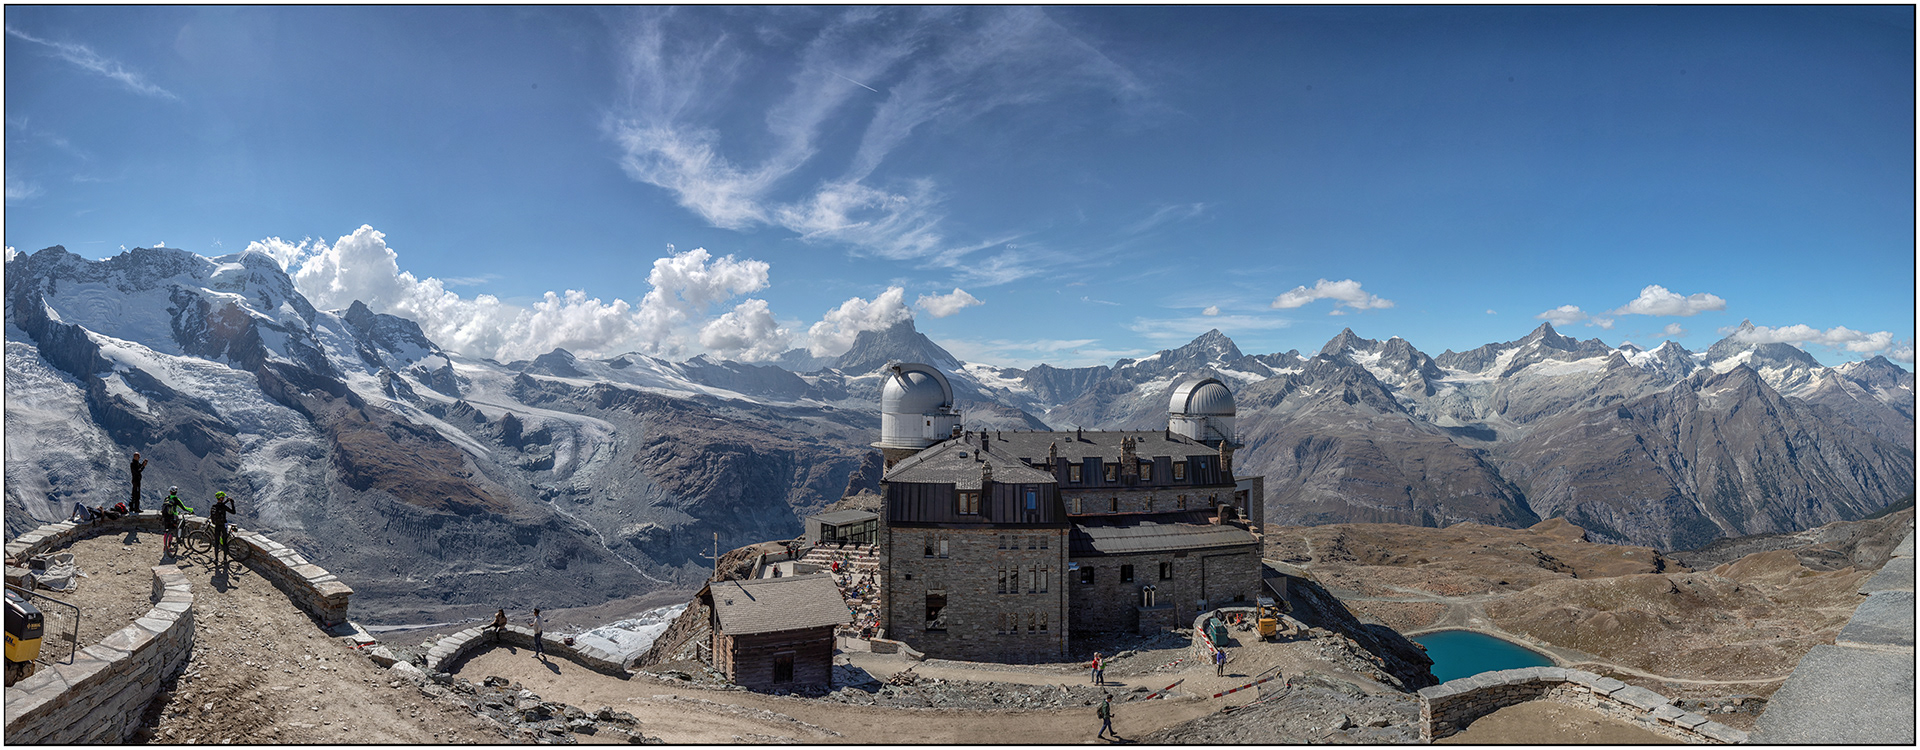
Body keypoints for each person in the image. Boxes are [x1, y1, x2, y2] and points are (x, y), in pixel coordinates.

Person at [208, 491, 236, 565]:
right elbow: (233, 512)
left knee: (217, 542)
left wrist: (226, 501)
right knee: (224, 542)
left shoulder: (214, 506)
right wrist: (232, 503)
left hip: (217, 525)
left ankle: (216, 559)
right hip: (224, 525)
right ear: (221, 498)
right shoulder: (223, 506)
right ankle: (225, 559)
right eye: (223, 497)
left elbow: (218, 507)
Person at [161, 487, 189, 558]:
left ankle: (165, 547)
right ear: (176, 492)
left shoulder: (166, 498)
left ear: (170, 492)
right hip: (173, 517)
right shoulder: (176, 499)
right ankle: (170, 545)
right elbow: (184, 508)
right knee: (173, 531)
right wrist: (191, 510)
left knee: (166, 532)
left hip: (165, 517)